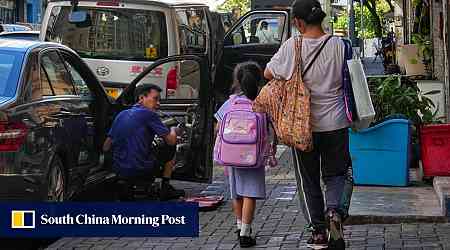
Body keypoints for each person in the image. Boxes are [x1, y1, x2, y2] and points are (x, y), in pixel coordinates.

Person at [264, 0, 353, 249]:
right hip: (336, 122)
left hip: (302, 126)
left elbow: (268, 73)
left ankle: (318, 232)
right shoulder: (340, 45)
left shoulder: (292, 46)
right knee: (337, 174)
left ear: (298, 22)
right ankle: (334, 211)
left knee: (309, 180)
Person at [214, 62, 272, 248]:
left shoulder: (230, 102)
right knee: (250, 194)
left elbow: (218, 128)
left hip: (231, 155)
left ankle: (239, 226)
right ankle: (246, 233)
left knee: (237, 193)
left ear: (237, 80)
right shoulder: (261, 103)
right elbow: (270, 128)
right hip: (253, 156)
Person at [103, 84, 185, 201]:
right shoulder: (149, 114)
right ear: (141, 98)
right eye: (155, 99)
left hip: (118, 168)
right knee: (171, 147)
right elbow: (171, 141)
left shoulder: (121, 114)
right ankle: (165, 188)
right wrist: (173, 130)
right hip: (140, 168)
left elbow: (106, 146)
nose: (158, 104)